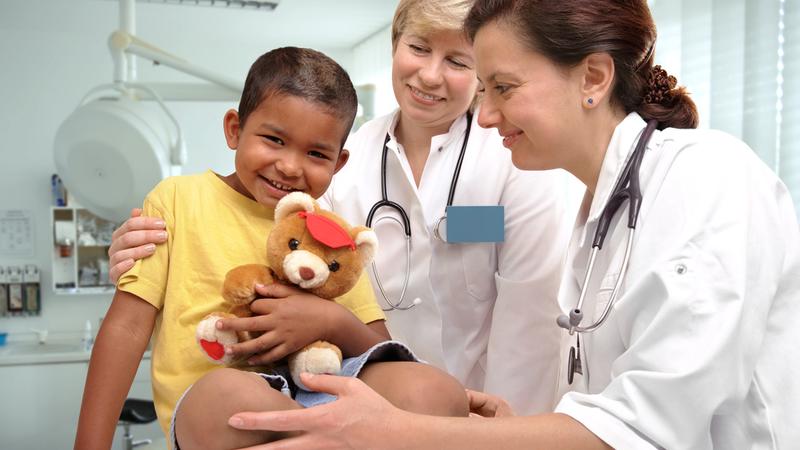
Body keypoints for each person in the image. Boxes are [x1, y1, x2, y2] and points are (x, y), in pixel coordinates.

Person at [223, 1, 800, 449]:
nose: (487, 112)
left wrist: (415, 434)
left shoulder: (708, 177)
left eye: (499, 86)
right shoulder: (599, 213)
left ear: (593, 78)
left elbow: (650, 423)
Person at [106, 0, 572, 416]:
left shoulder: (518, 161)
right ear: (395, 44)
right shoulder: (337, 161)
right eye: (418, 47)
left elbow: (529, 327)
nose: (430, 75)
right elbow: (254, 250)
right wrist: (147, 262)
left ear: (481, 71)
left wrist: (505, 434)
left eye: (457, 60)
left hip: (472, 404)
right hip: (353, 396)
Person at [75, 47, 468, 450]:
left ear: (338, 162)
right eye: (273, 140)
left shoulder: (329, 228)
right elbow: (126, 327)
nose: (290, 166)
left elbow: (374, 346)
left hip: (320, 393)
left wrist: (328, 321)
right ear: (234, 129)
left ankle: (324, 433)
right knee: (232, 397)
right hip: (214, 404)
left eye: (316, 153)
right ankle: (327, 436)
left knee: (437, 392)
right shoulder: (177, 201)